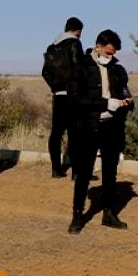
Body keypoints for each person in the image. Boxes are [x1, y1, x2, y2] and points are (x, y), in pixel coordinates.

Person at [66, 29, 133, 234]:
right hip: (88, 127)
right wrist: (105, 103)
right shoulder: (81, 68)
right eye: (107, 53)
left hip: (111, 128)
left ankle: (109, 213)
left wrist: (126, 102)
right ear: (98, 46)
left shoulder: (118, 70)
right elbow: (75, 99)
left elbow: (124, 92)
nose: (110, 57)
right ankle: (77, 215)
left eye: (113, 54)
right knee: (84, 173)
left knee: (110, 173)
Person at [42, 17, 85, 179]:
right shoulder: (75, 43)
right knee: (75, 132)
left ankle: (56, 169)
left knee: (56, 132)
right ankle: (76, 172)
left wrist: (55, 86)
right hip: (73, 96)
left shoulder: (52, 46)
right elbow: (77, 67)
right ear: (78, 30)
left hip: (58, 96)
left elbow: (45, 72)